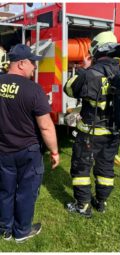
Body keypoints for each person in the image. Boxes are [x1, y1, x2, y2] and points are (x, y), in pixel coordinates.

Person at [0, 44, 59, 242]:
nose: (34, 66)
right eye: (32, 62)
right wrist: (55, 152)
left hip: (3, 150)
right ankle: (22, 232)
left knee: (5, 190)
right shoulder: (33, 90)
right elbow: (46, 127)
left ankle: (4, 229)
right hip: (28, 152)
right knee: (25, 193)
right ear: (21, 64)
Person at [64, 31, 120, 217]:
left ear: (97, 51)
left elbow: (69, 88)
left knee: (81, 169)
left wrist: (84, 69)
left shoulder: (91, 73)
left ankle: (83, 206)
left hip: (89, 133)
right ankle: (101, 202)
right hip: (113, 133)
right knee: (105, 169)